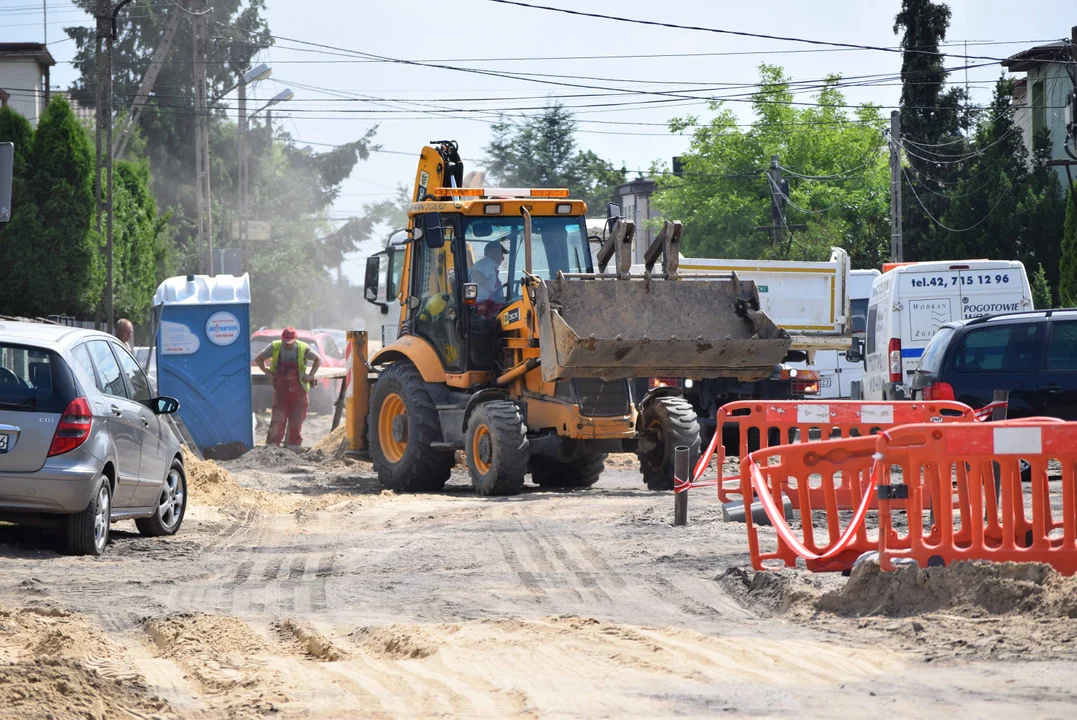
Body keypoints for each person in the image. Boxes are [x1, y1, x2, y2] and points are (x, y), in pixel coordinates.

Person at [255, 327, 322, 450]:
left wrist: (311, 375)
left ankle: (293, 449)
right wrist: (268, 373)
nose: (287, 345)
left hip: (299, 392)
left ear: (294, 339)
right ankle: (272, 449)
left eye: (289, 343)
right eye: (285, 342)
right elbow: (258, 359)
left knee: (296, 422)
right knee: (277, 420)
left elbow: (318, 359)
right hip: (281, 392)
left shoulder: (302, 348)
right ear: (282, 338)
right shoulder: (275, 346)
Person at [470, 242, 506, 317]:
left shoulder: (483, 264)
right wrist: (490, 289)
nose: (503, 258)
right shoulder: (487, 263)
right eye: (501, 254)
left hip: (486, 304)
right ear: (493, 253)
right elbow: (476, 274)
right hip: (485, 305)